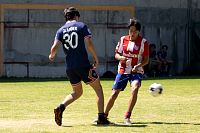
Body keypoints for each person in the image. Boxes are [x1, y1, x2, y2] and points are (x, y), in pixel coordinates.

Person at [49, 7, 110, 126]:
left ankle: (61, 107)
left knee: (77, 92)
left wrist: (52, 55)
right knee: (98, 89)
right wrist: (96, 58)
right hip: (83, 65)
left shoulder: (60, 30)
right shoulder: (81, 26)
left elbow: (54, 48)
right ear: (76, 16)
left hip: (70, 68)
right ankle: (101, 118)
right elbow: (89, 43)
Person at [104, 18, 149, 125]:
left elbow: (146, 60)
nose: (132, 33)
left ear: (138, 31)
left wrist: (138, 65)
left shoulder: (144, 42)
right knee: (114, 93)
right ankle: (103, 116)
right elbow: (116, 54)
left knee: (135, 88)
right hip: (123, 70)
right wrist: (121, 58)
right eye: (130, 30)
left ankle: (127, 117)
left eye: (134, 31)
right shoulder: (123, 39)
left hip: (136, 71)